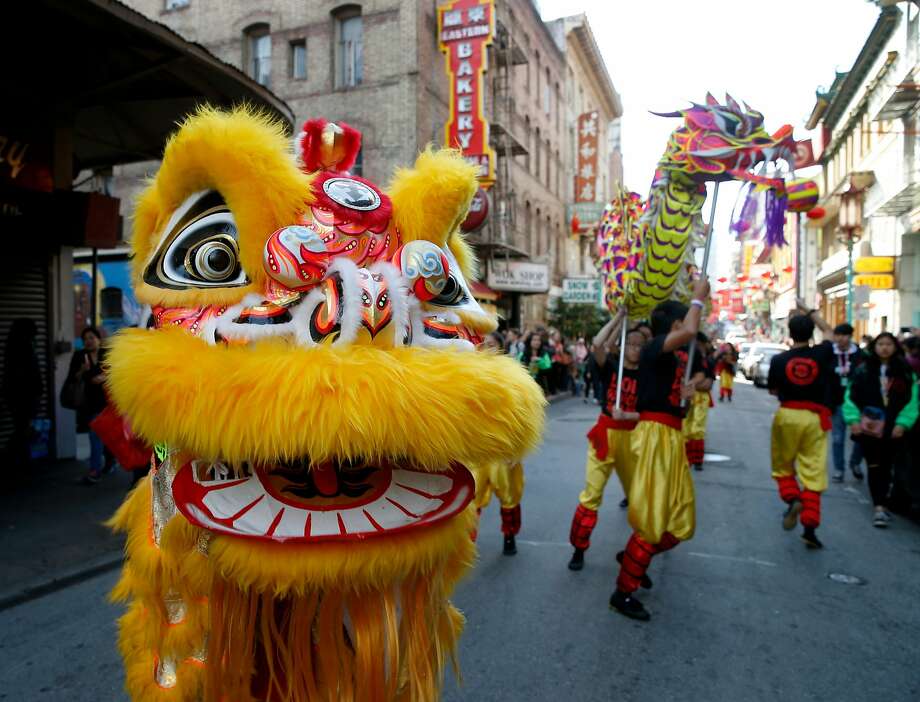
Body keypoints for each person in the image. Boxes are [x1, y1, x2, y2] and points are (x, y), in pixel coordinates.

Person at [609, 279, 709, 622]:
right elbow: (692, 331)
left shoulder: (667, 358)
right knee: (652, 521)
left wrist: (683, 397)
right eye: (683, 324)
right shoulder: (653, 348)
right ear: (674, 326)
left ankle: (633, 557)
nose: (688, 329)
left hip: (670, 437)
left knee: (681, 521)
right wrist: (697, 299)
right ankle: (623, 592)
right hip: (654, 439)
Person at [568, 314, 643, 571]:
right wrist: (620, 316)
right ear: (623, 347)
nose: (635, 349)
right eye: (631, 344)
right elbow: (598, 345)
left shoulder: (648, 374)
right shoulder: (611, 366)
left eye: (639, 345)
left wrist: (631, 415)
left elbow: (655, 411)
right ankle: (578, 548)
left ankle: (636, 556)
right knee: (591, 495)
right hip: (605, 436)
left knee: (639, 499)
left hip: (635, 439)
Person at [767, 303, 835, 549]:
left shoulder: (778, 359)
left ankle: (792, 497)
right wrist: (811, 312)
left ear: (789, 332)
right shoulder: (822, 353)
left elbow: (773, 389)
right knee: (813, 470)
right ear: (811, 333)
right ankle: (809, 527)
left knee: (783, 464)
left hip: (788, 415)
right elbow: (829, 330)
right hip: (815, 417)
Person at [843, 332, 919, 528]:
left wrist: (903, 423)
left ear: (895, 347)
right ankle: (879, 507)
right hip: (869, 429)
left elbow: (913, 401)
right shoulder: (863, 370)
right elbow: (850, 397)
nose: (884, 348)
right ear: (874, 347)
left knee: (888, 467)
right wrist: (853, 420)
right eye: (880, 344)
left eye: (888, 344)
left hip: (894, 430)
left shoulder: (904, 371)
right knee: (875, 467)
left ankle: (885, 502)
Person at [471, 331, 525, 554]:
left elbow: (521, 416)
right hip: (476, 449)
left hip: (502, 448)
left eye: (492, 344)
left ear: (501, 348)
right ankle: (467, 544)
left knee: (508, 495)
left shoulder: (513, 378)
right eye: (484, 344)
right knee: (470, 498)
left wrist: (517, 449)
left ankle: (509, 535)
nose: (487, 348)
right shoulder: (469, 374)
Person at [66, 326, 112, 484]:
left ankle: (104, 465)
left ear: (99, 339)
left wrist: (105, 377)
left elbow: (117, 373)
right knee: (95, 435)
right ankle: (96, 468)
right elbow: (73, 378)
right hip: (90, 403)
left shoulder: (106, 354)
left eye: (92, 338)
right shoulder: (79, 356)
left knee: (105, 435)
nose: (89, 341)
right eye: (85, 339)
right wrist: (82, 370)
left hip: (109, 403)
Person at [2, 319, 43, 468]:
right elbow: (29, 373)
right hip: (23, 396)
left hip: (17, 395)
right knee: (23, 428)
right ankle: (11, 457)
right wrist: (37, 391)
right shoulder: (23, 346)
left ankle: (22, 458)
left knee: (22, 428)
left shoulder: (15, 345)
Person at [829, 322, 864, 483]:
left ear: (850, 337)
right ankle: (839, 469)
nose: (841, 339)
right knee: (837, 438)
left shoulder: (860, 354)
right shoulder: (830, 352)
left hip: (857, 402)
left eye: (844, 335)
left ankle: (855, 462)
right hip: (836, 401)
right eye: (838, 335)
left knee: (860, 437)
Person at [684, 332, 715, 471]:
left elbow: (707, 384)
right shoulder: (684, 358)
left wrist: (689, 385)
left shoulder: (708, 361)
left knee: (697, 428)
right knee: (684, 427)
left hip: (700, 399)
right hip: (686, 396)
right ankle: (685, 457)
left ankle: (696, 460)